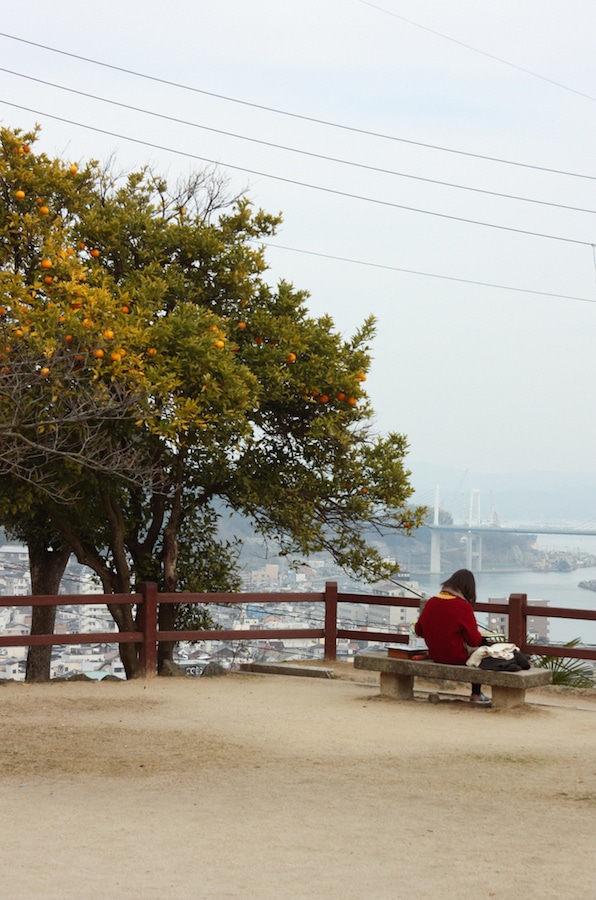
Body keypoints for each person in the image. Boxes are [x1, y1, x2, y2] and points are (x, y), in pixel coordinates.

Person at [414, 568, 491, 706]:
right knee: (482, 647)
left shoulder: (431, 602)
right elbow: (474, 640)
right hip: (456, 656)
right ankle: (476, 693)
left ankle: (477, 694)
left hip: (435, 654)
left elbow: (418, 630)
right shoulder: (463, 607)